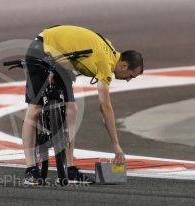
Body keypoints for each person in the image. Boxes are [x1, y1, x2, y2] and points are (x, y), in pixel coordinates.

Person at [22, 25, 144, 185]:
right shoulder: (105, 63)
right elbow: (105, 107)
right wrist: (116, 145)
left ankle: (69, 168)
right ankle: (30, 169)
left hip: (63, 58)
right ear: (124, 66)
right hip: (41, 48)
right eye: (130, 76)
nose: (128, 79)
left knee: (72, 109)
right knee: (34, 109)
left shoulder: (110, 48)